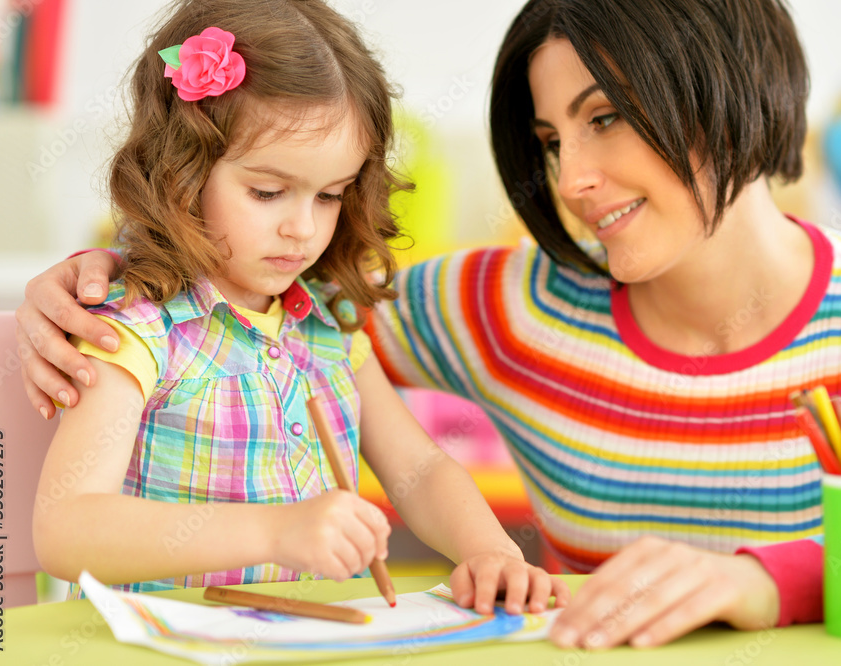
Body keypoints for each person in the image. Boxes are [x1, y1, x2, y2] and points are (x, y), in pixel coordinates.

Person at [18, 0, 841, 649]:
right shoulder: (505, 305)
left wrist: (767, 583)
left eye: (606, 119)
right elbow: (240, 320)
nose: (571, 180)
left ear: (729, 90)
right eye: (552, 139)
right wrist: (79, 282)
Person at [28, 0, 568, 616]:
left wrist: (490, 551)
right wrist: (276, 531)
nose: (303, 229)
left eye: (331, 195)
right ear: (181, 171)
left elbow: (418, 467)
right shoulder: (137, 328)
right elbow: (65, 530)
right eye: (267, 191)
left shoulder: (326, 323)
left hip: (298, 638)